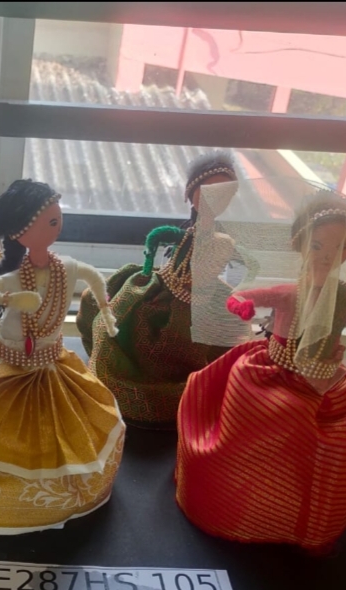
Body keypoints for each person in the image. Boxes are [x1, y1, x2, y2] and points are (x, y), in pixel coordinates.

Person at [177, 180, 346, 554]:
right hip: (271, 374)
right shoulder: (290, 292)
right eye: (317, 245)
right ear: (300, 244)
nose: (327, 256)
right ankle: (249, 501)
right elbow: (243, 295)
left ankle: (298, 505)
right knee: (257, 418)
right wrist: (241, 306)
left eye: (340, 247)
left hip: (325, 380)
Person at [0, 179, 126, 534]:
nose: (58, 226)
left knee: (74, 429)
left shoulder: (66, 268)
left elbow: (94, 278)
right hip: (6, 368)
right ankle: (3, 498)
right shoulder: (15, 278)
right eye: (50, 222)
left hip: (52, 364)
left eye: (58, 220)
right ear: (19, 233)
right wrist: (10, 300)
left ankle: (55, 495)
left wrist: (106, 309)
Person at [76, 150, 247, 428]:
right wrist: (147, 266)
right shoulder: (187, 234)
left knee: (192, 345)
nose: (216, 198)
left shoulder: (223, 241)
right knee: (127, 319)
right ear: (191, 194)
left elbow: (218, 272)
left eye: (225, 192)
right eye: (208, 191)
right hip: (166, 289)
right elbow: (157, 239)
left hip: (201, 303)